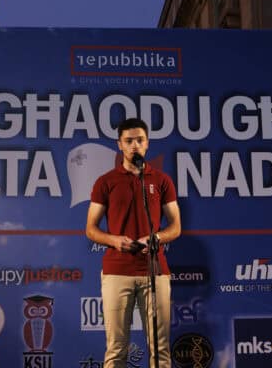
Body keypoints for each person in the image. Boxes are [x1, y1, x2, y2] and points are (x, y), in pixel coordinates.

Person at [85, 117, 181, 368]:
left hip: (155, 271)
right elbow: (91, 229)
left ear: (147, 143)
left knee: (160, 349)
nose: (135, 145)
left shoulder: (162, 180)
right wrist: (114, 240)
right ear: (120, 145)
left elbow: (176, 227)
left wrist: (156, 238)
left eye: (140, 140)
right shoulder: (105, 181)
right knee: (116, 349)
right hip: (117, 271)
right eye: (129, 141)